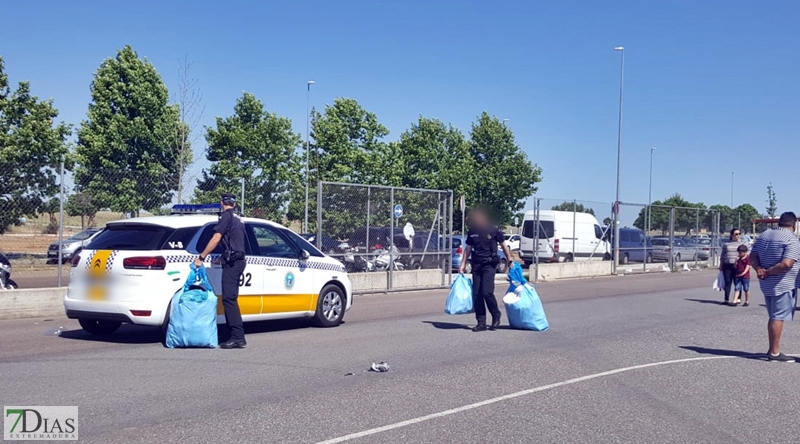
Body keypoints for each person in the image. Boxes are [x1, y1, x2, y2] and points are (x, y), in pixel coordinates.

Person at [195, 193, 248, 349]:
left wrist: (201, 257)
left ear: (221, 203)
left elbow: (216, 238)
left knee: (229, 299)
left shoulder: (226, 216)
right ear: (234, 204)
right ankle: (230, 334)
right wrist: (222, 258)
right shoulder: (238, 218)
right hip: (236, 259)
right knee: (229, 298)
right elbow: (234, 241)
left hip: (234, 262)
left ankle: (237, 337)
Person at [750, 212, 800, 363]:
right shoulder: (791, 239)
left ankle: (773, 349)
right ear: (794, 224)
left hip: (766, 283)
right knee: (778, 316)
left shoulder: (765, 234)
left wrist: (759, 269)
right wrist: (769, 271)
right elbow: (786, 264)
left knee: (774, 315)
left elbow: (753, 256)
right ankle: (774, 352)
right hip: (782, 283)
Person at [458, 207, 514, 332]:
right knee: (477, 294)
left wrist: (509, 260)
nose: (475, 220)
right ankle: (481, 322)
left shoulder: (493, 229)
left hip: (489, 264)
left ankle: (496, 315)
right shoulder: (472, 231)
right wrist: (463, 264)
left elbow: (504, 246)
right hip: (477, 265)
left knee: (487, 292)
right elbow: (468, 248)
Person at [719, 228, 745, 304]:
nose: (738, 235)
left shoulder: (743, 244)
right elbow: (723, 255)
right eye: (736, 234)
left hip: (737, 266)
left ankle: (738, 298)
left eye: (739, 234)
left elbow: (747, 254)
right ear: (732, 235)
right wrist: (721, 265)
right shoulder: (727, 244)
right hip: (727, 265)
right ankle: (726, 299)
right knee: (728, 282)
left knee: (737, 281)